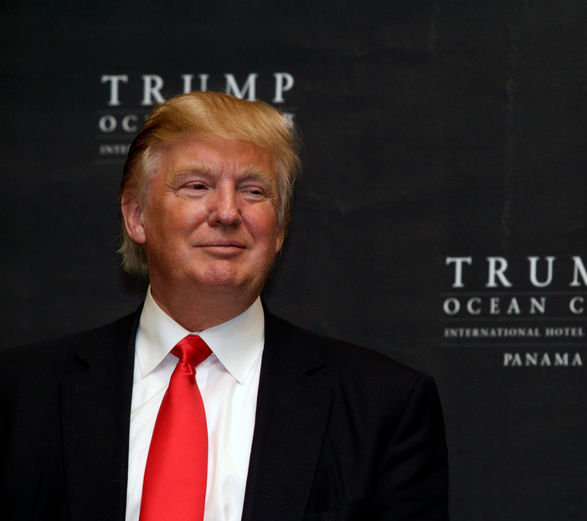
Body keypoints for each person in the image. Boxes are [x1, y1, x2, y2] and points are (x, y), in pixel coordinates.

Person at [0, 91, 449, 521]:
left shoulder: (382, 408)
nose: (228, 212)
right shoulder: (20, 396)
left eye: (254, 191)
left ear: (279, 232)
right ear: (137, 216)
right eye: (197, 186)